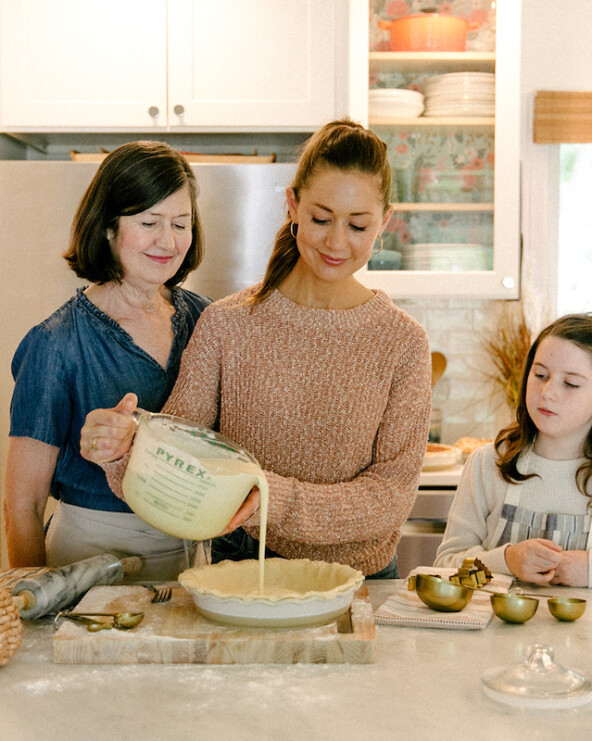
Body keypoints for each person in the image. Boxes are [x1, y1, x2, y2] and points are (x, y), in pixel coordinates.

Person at [81, 119, 432, 578]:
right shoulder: (226, 324)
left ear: (385, 222)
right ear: (293, 205)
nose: (336, 241)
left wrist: (268, 498)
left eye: (358, 225)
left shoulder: (402, 343)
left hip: (358, 584)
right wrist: (124, 450)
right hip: (240, 575)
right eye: (321, 218)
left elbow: (389, 498)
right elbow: (179, 457)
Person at [4, 141, 211, 580]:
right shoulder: (55, 343)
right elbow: (23, 503)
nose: (168, 241)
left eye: (181, 223)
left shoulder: (206, 321)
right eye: (149, 222)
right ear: (109, 228)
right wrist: (35, 602)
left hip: (190, 562)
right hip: (86, 558)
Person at [434, 314, 592, 588]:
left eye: (571, 383)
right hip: (495, 630)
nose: (547, 392)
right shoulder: (488, 464)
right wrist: (506, 560)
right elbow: (446, 565)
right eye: (540, 375)